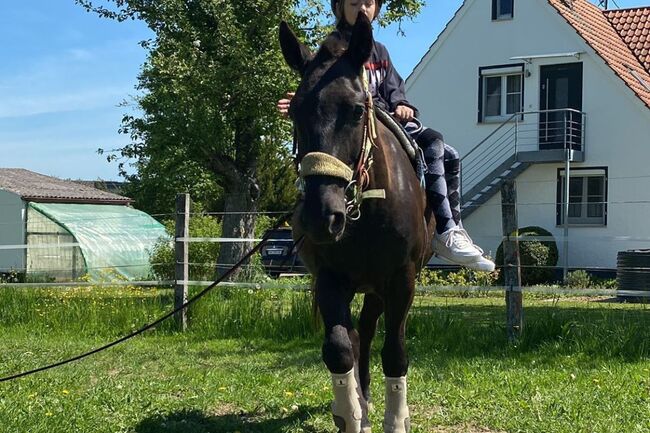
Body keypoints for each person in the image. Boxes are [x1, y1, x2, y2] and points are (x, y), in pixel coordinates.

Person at [278, 0, 495, 273]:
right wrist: (303, 101)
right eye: (354, 2)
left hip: (386, 117)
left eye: (369, 3)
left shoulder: (379, 51)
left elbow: (395, 90)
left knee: (444, 150)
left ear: (377, 9)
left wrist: (403, 104)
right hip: (352, 123)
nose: (362, 8)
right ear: (339, 8)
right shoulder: (329, 53)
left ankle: (448, 230)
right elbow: (321, 94)